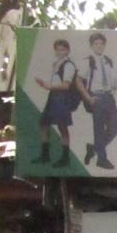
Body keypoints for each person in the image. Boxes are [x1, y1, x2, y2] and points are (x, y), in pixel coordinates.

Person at [33, 38, 90, 167]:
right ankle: (45, 155)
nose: (60, 52)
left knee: (62, 127)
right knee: (43, 123)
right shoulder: (57, 64)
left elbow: (66, 85)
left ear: (67, 51)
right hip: (54, 97)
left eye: (63, 49)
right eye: (58, 49)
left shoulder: (68, 65)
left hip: (61, 98)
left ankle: (65, 158)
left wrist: (48, 86)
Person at [79, 32, 117, 169]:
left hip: (108, 96)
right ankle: (101, 160)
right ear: (92, 45)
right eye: (96, 43)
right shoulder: (88, 60)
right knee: (99, 129)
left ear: (104, 45)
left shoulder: (108, 60)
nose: (99, 46)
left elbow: (114, 80)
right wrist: (88, 97)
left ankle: (93, 149)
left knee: (115, 126)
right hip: (96, 97)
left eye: (101, 43)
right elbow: (78, 80)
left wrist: (115, 86)